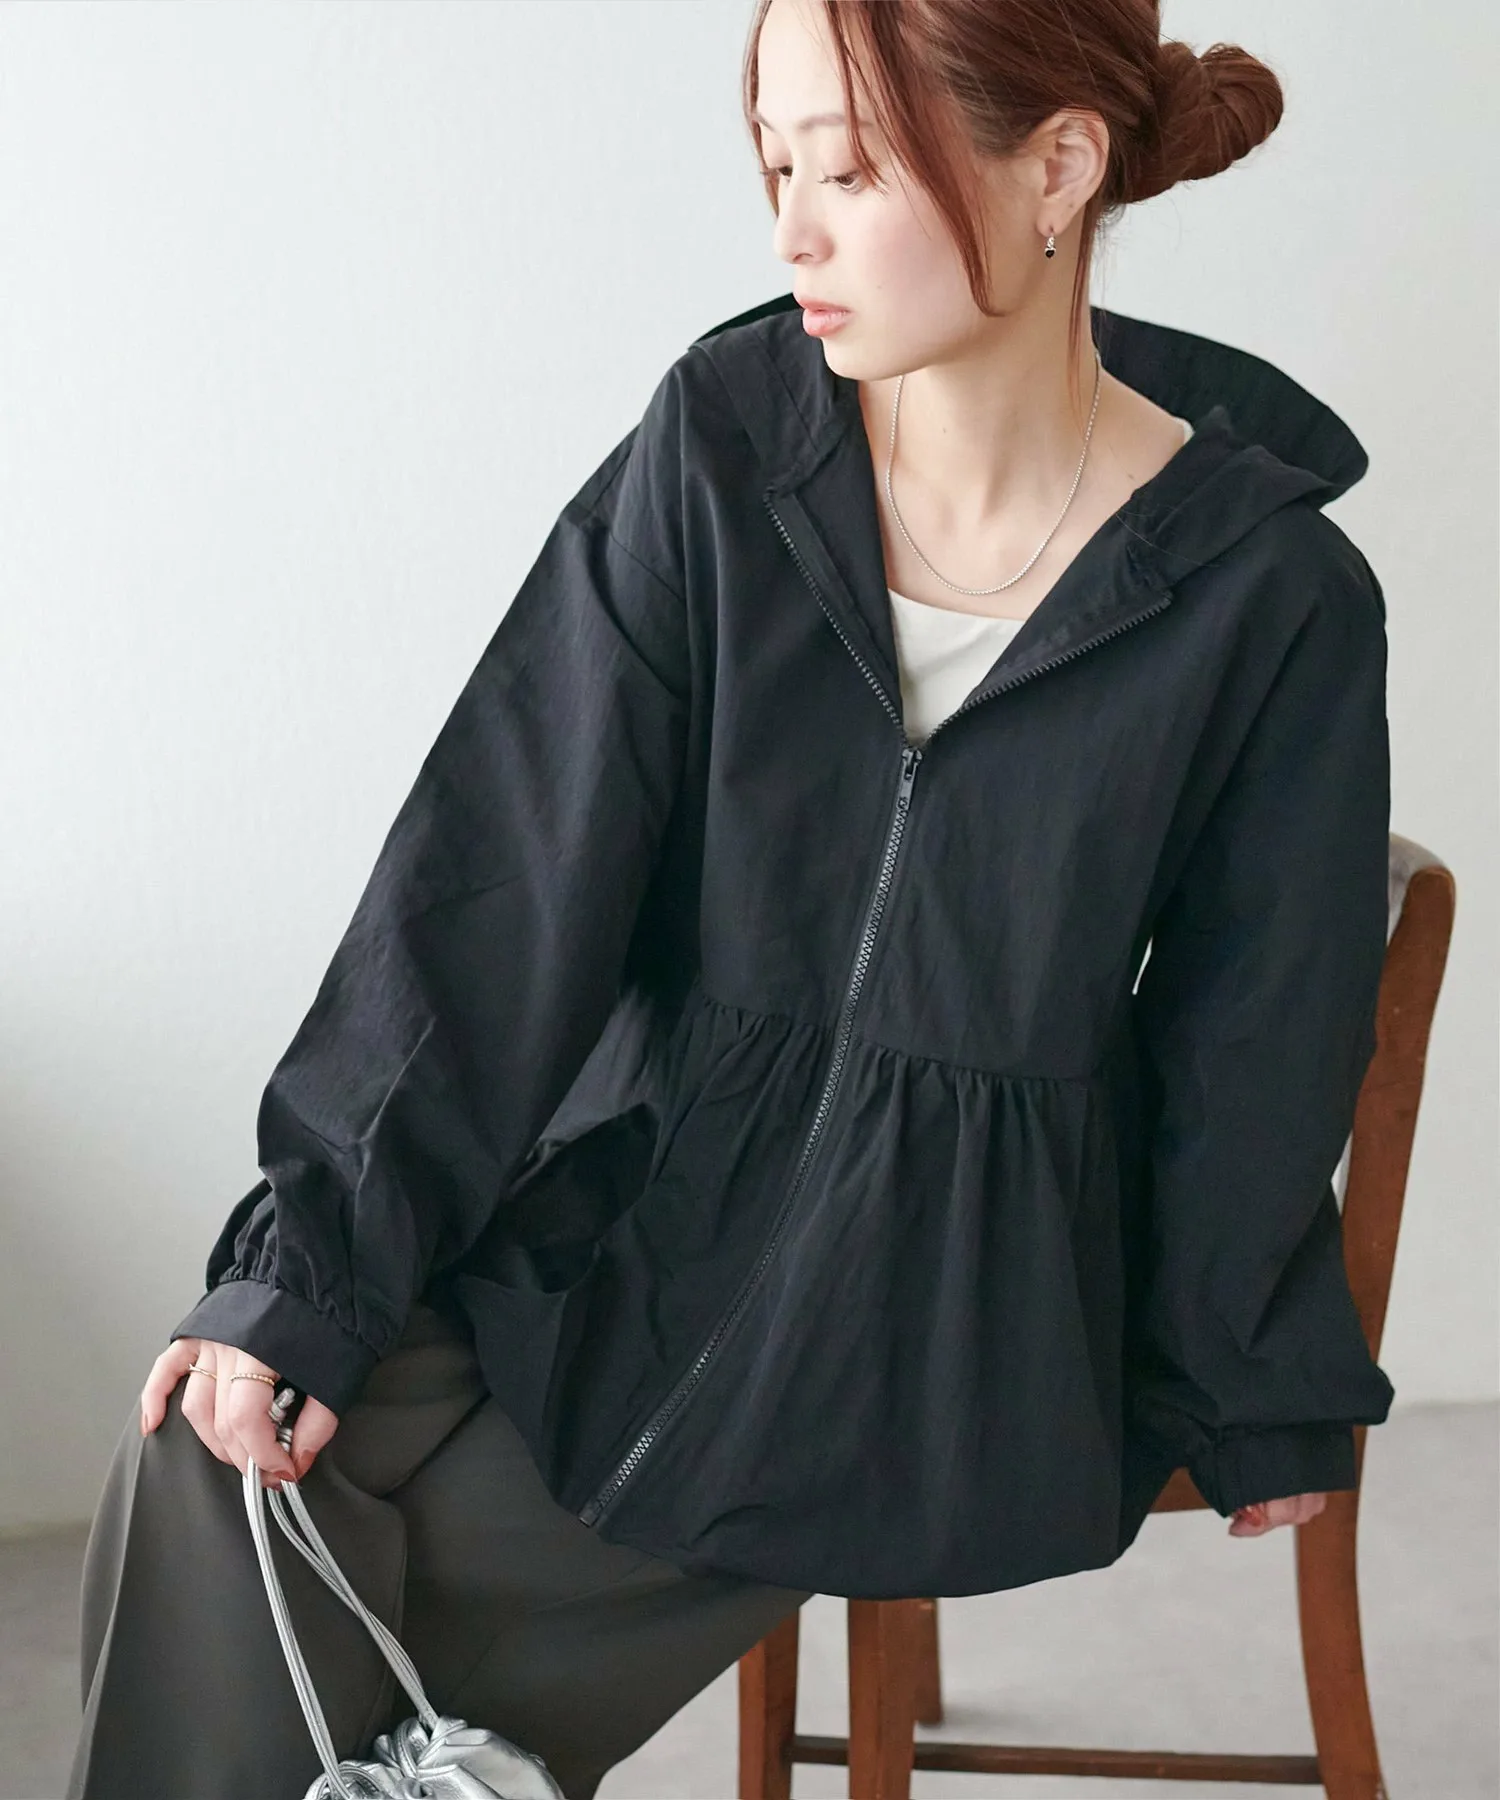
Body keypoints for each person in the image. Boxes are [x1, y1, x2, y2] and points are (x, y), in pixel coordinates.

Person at [67, 1, 1398, 1794]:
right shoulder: (726, 447)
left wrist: (1252, 1378)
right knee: (213, 1444)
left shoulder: (1268, 596)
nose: (792, 233)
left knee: (322, 1602)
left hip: (926, 1318)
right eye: (776, 167)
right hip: (635, 1211)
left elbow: (1263, 1031)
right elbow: (503, 871)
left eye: (850, 172)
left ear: (1061, 168)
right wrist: (319, 1266)